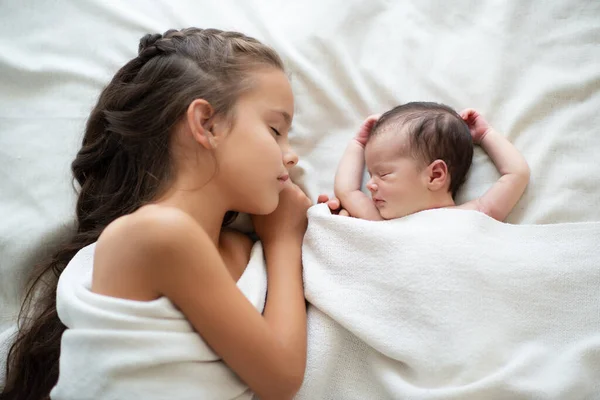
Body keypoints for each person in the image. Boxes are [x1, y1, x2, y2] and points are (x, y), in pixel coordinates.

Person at [1, 28, 310, 400]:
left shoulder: (240, 250)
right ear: (207, 124)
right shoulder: (155, 233)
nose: (291, 156)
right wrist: (284, 240)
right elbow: (281, 380)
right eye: (275, 130)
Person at [327, 102, 530, 221]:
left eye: (383, 174)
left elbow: (516, 174)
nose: (370, 185)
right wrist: (357, 144)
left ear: (435, 175)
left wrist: (486, 135)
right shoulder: (382, 221)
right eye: (371, 175)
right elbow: (347, 191)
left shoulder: (473, 216)